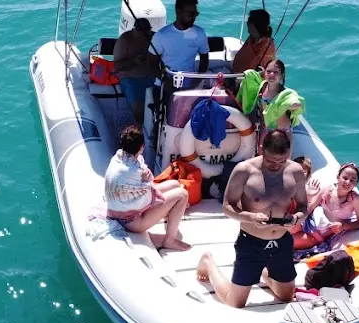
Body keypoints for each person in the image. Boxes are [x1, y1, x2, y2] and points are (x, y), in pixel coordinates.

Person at [195, 128, 309, 308]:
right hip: (251, 242)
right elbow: (227, 207)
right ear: (261, 149)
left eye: (281, 161)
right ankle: (208, 263)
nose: (275, 166)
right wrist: (250, 217)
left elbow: (304, 206)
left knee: (286, 297)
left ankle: (263, 272)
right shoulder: (244, 170)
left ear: (288, 154)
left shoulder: (295, 171)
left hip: (281, 242)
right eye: (271, 161)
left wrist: (296, 218)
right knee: (235, 303)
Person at [104, 124, 191, 251]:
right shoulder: (135, 171)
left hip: (118, 210)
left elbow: (145, 183)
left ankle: (171, 223)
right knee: (182, 194)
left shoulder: (118, 158)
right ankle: (169, 240)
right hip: (132, 222)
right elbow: (148, 191)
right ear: (141, 147)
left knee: (175, 184)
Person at [111, 17, 160, 124]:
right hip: (132, 80)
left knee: (162, 105)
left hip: (154, 78)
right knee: (138, 109)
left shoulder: (156, 37)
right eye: (141, 33)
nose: (145, 36)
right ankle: (143, 133)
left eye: (147, 32)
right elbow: (117, 66)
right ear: (135, 30)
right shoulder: (125, 40)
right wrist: (134, 61)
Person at [150, 0, 209, 75]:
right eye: (191, 14)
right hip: (165, 80)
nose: (194, 17)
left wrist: (197, 80)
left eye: (196, 14)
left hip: (190, 79)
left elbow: (204, 59)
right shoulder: (161, 36)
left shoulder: (200, 33)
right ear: (178, 12)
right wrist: (163, 79)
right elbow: (150, 62)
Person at [231, 9, 276, 73]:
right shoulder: (252, 37)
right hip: (234, 69)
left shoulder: (266, 49)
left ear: (255, 26)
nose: (247, 23)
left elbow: (263, 75)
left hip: (241, 79)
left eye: (249, 22)